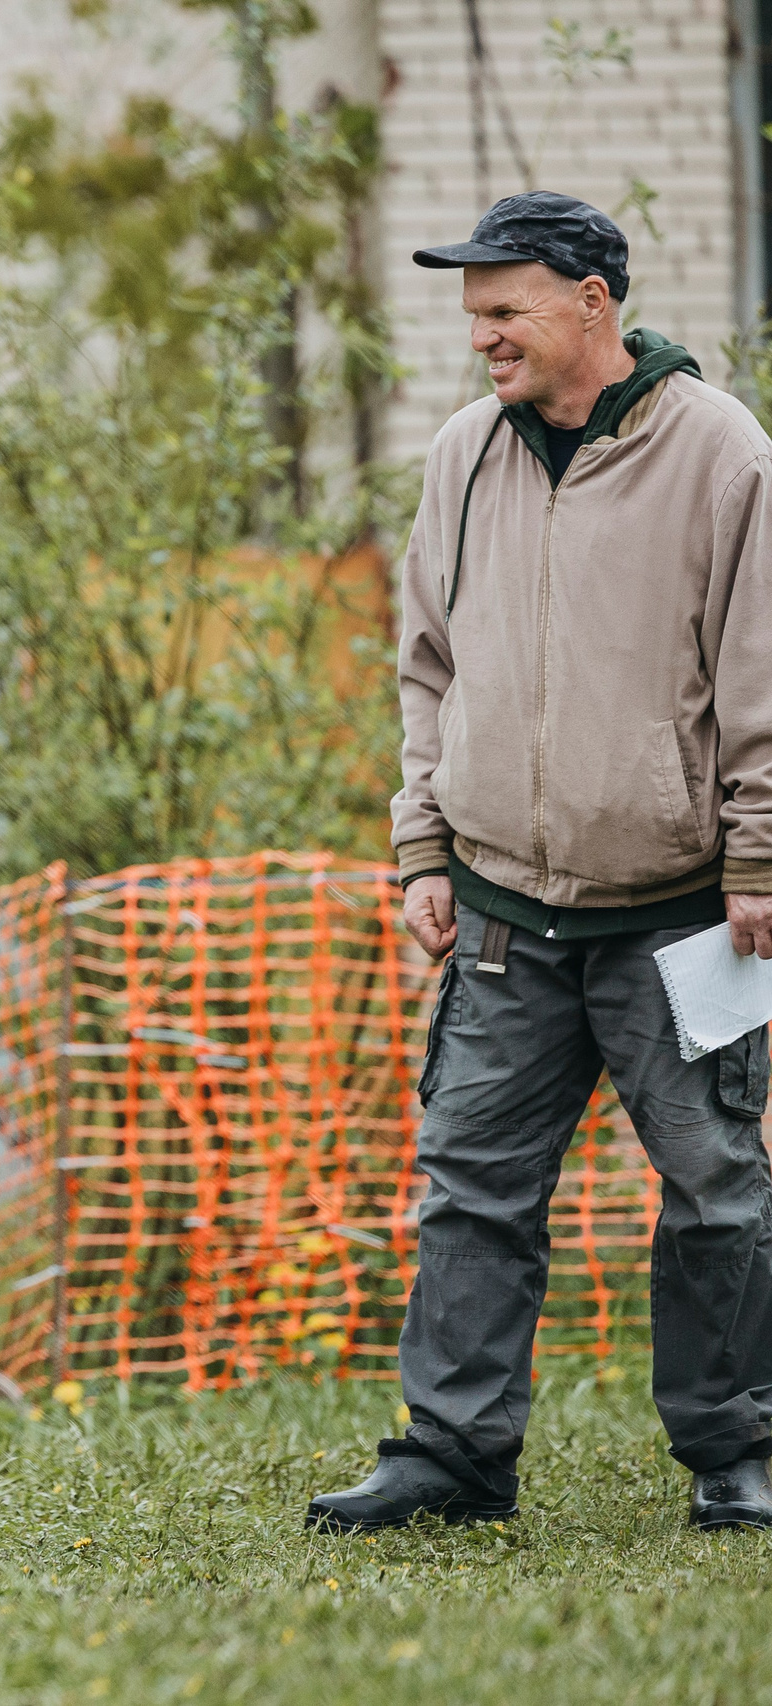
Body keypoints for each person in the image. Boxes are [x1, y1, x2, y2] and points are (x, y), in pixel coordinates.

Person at [308, 193, 772, 1534]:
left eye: (504, 311)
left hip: (682, 915)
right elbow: (427, 666)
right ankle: (453, 1455)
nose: (483, 338)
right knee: (471, 1188)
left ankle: (737, 1449)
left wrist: (758, 853)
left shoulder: (723, 453)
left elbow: (761, 672)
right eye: (474, 315)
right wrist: (422, 843)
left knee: (718, 1189)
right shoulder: (463, 453)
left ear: (591, 301)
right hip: (504, 907)